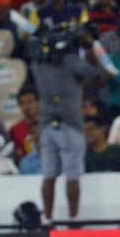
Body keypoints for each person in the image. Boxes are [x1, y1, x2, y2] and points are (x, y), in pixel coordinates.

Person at [30, 25, 98, 221]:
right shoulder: (71, 61)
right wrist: (88, 47)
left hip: (46, 125)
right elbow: (94, 74)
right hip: (70, 124)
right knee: (72, 175)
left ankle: (48, 219)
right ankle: (73, 219)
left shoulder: (38, 64)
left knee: (48, 175)